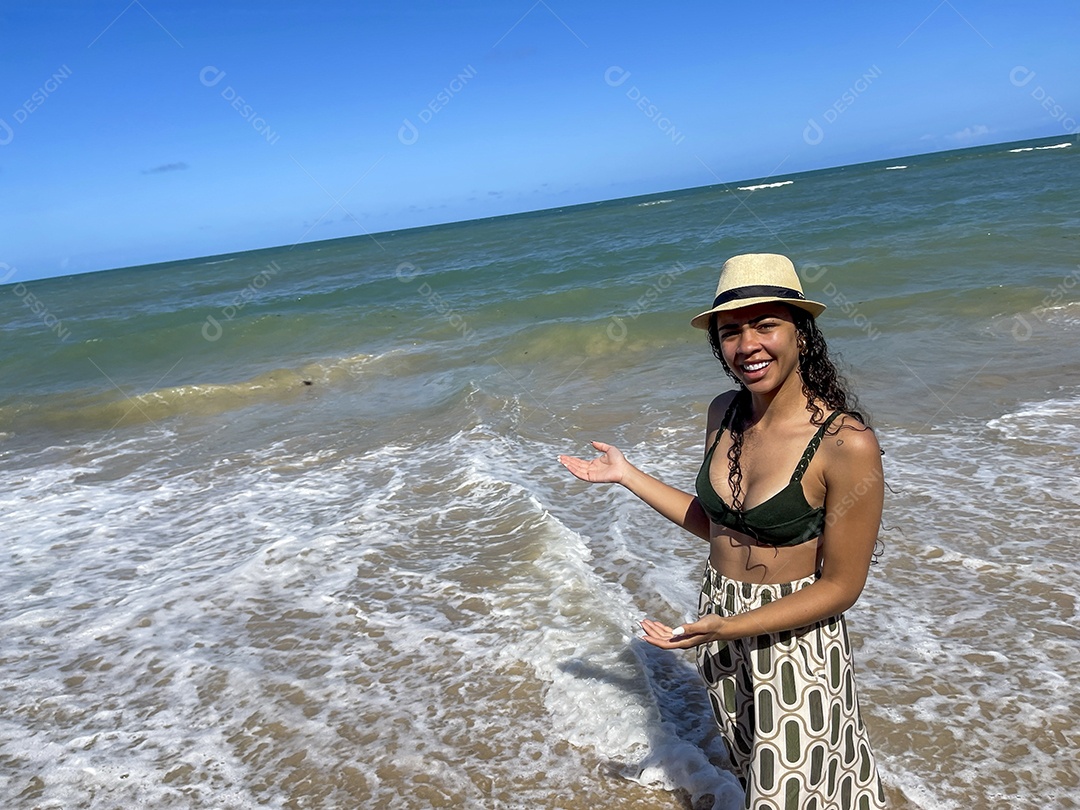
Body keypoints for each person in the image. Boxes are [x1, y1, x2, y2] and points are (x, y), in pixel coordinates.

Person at [559, 253, 886, 810]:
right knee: (748, 764)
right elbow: (720, 529)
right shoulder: (725, 412)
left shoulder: (845, 443)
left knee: (791, 793)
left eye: (766, 325)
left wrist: (731, 626)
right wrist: (627, 475)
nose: (748, 345)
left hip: (794, 638)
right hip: (721, 615)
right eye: (731, 332)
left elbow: (841, 587)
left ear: (800, 333)